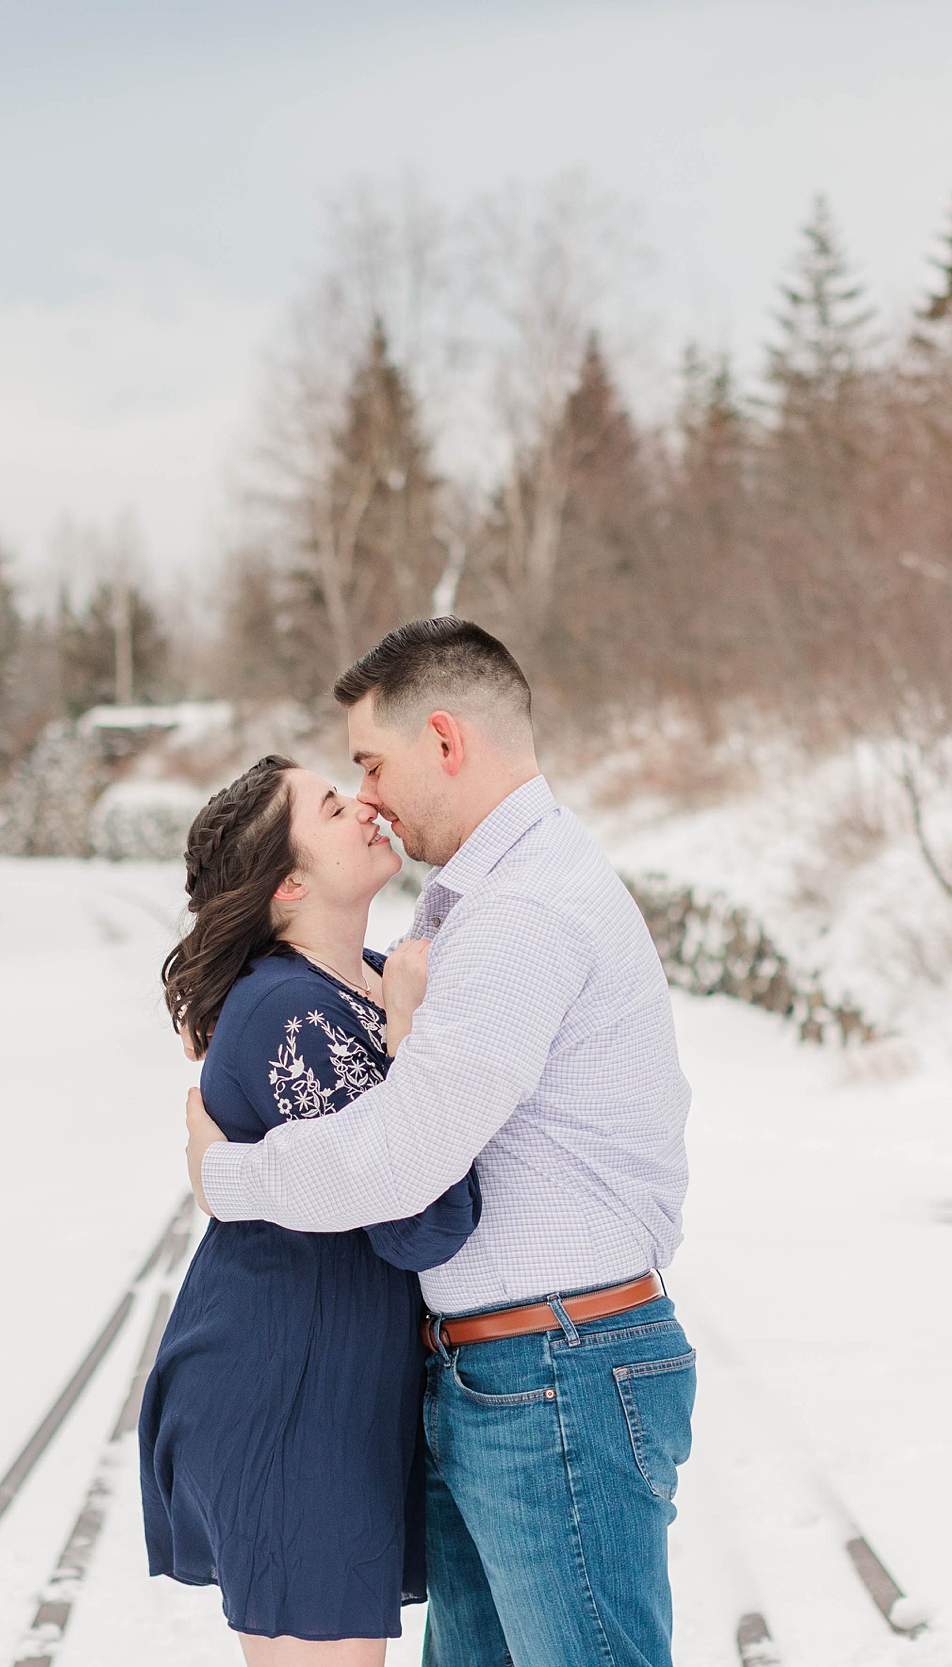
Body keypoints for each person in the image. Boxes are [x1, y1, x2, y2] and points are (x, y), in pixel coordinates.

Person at [185, 617, 696, 1667]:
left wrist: (227, 1174)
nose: (367, 792)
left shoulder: (522, 911)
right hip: (510, 1370)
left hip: (556, 1365)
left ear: (446, 740)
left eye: (370, 763)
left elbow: (405, 1158)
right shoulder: (480, 902)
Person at [139, 753, 481, 1666]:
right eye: (334, 805)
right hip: (288, 1397)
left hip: (336, 1389)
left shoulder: (362, 976)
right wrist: (410, 1039)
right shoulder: (288, 1010)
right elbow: (423, 1221)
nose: (366, 803)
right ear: (289, 881)